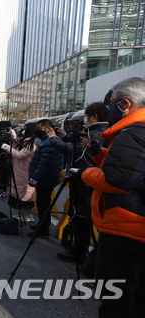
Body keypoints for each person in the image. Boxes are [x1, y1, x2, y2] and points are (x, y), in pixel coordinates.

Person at [81, 77, 145, 317]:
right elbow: (134, 168)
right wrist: (100, 153)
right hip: (137, 224)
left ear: (125, 105)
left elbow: (117, 179)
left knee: (116, 299)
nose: (108, 109)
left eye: (112, 104)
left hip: (126, 228)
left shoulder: (133, 132)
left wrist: (87, 173)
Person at [45, 102, 109, 264]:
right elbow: (76, 146)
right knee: (77, 212)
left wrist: (52, 138)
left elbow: (70, 150)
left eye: (87, 117)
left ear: (95, 117)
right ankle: (76, 246)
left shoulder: (96, 133)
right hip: (81, 176)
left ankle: (79, 252)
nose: (85, 120)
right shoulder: (93, 131)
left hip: (86, 179)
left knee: (82, 216)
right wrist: (65, 136)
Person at [27, 119, 63, 238]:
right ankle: (42, 226)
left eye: (39, 129)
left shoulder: (50, 143)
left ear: (47, 128)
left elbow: (44, 164)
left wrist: (34, 178)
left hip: (45, 179)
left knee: (43, 205)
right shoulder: (47, 141)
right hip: (46, 178)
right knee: (42, 205)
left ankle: (43, 230)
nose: (37, 131)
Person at [0, 123, 38, 222]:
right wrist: (13, 139)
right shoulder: (26, 141)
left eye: (25, 129)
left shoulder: (33, 143)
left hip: (25, 173)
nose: (23, 131)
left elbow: (20, 155)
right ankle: (23, 214)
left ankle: (28, 216)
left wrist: (6, 148)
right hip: (19, 171)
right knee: (18, 193)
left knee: (25, 194)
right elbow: (16, 149)